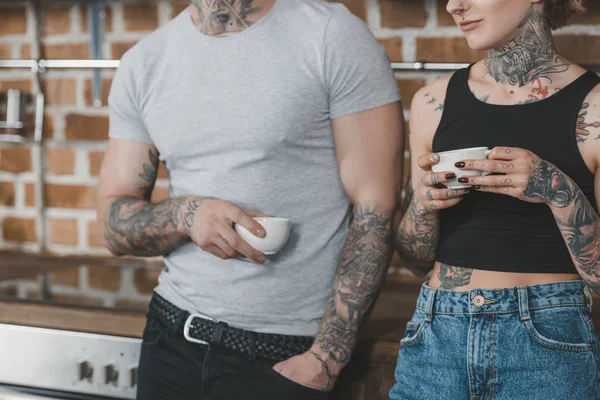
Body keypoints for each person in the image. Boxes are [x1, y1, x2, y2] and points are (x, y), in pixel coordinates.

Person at [96, 0, 405, 398]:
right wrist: (185, 215)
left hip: (287, 353)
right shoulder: (144, 62)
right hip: (171, 337)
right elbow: (111, 220)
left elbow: (376, 204)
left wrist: (325, 359)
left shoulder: (331, 35)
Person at [391, 0, 600, 399]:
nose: (454, 5)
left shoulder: (595, 108)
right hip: (436, 330)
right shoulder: (431, 103)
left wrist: (559, 191)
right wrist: (424, 204)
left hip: (546, 340)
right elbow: (415, 259)